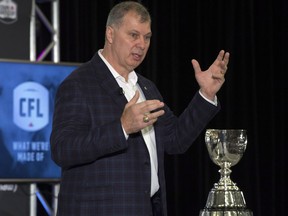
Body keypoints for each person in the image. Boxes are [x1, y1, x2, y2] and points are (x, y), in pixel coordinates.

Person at [50, 1, 229, 216]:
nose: (142, 44)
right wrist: (122, 127)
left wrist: (206, 95)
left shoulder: (146, 87)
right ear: (110, 34)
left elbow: (175, 140)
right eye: (133, 35)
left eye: (147, 37)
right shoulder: (79, 84)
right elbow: (63, 149)